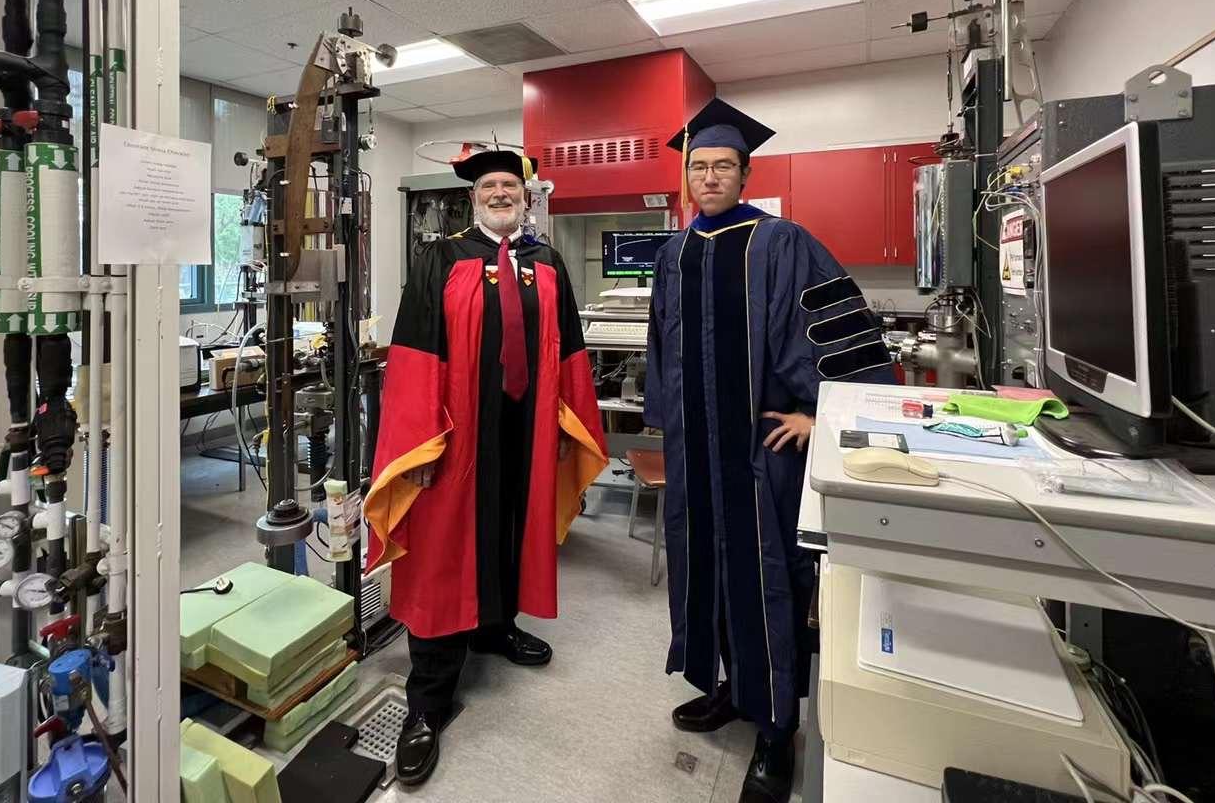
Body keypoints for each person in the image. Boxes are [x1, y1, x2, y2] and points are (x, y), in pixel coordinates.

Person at [644, 99, 897, 803]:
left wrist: (825, 416)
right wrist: (668, 428)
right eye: (699, 167)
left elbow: (842, 340)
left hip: (761, 457)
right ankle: (731, 686)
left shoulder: (783, 244)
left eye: (723, 166)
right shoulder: (675, 254)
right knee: (709, 573)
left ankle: (778, 728)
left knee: (767, 580)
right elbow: (662, 351)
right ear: (687, 177)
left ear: (745, 173)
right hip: (699, 457)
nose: (710, 177)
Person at [364, 148, 608, 787]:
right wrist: (419, 446)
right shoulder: (441, 259)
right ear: (473, 198)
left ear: (527, 199)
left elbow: (572, 349)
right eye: (490, 186)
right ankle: (429, 698)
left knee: (508, 533)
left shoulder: (547, 263)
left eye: (511, 186)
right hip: (456, 436)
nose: (501, 193)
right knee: (444, 553)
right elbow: (415, 355)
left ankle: (496, 630)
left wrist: (565, 425)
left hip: (524, 433)